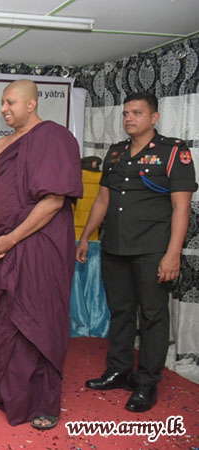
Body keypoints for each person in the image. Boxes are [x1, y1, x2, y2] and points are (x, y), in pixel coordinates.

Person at [77, 92, 197, 412]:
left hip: (152, 249)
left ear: (154, 117)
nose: (129, 118)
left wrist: (173, 254)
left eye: (137, 113)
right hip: (115, 246)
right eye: (126, 113)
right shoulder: (116, 153)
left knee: (153, 315)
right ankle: (119, 369)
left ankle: (146, 382)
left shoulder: (174, 152)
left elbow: (181, 208)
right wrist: (86, 236)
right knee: (120, 311)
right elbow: (103, 199)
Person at [0, 79, 83, 430]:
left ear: (31, 104)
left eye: (11, 102)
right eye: (2, 103)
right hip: (1, 244)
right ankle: (2, 391)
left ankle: (43, 403)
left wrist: (11, 239)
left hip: (40, 243)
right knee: (1, 319)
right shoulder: (1, 145)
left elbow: (54, 201)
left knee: (37, 319)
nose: (4, 109)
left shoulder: (56, 137)